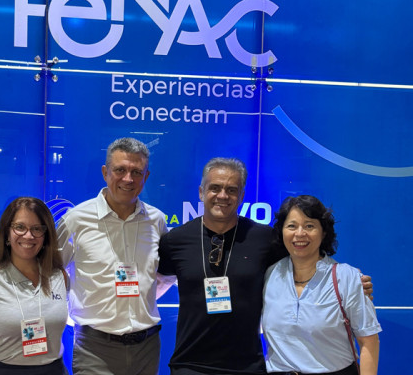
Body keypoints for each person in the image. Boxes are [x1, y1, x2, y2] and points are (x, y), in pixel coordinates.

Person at [157, 158, 373, 375]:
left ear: (242, 196)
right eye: (215, 188)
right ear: (201, 192)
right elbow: (153, 281)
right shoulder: (175, 240)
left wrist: (350, 284)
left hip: (248, 366)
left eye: (231, 190)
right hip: (190, 364)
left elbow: (305, 260)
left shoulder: (265, 239)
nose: (222, 195)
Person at [57, 137, 168, 375]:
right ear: (105, 172)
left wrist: (142, 299)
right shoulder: (76, 219)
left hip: (146, 348)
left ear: (146, 177)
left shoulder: (157, 221)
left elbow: (165, 274)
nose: (128, 179)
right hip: (94, 348)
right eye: (120, 170)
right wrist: (68, 313)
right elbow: (50, 272)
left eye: (136, 172)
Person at [262, 195, 381, 374]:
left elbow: (369, 342)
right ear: (282, 231)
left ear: (323, 232)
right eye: (292, 226)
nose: (300, 233)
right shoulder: (270, 274)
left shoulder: (347, 277)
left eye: (309, 226)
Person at [0, 197, 68, 375]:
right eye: (20, 227)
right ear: (7, 233)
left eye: (37, 229)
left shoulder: (59, 276)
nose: (28, 235)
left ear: (46, 235)